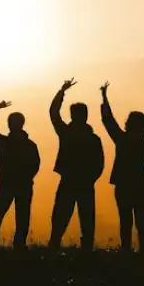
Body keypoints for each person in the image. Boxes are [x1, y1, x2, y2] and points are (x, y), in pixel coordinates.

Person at [100, 81, 144, 253]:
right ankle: (143, 251)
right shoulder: (143, 143)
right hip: (140, 184)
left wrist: (104, 98)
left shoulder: (122, 140)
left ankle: (126, 250)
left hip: (124, 184)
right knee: (141, 221)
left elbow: (108, 121)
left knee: (126, 221)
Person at [48, 78, 105, 250]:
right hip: (85, 183)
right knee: (86, 219)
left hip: (69, 181)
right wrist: (91, 178)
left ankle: (54, 248)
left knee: (60, 218)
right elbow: (99, 164)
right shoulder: (92, 138)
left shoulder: (66, 133)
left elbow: (53, 113)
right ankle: (86, 252)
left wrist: (62, 91)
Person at [0, 100, 41, 251]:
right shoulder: (30, 145)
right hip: (24, 186)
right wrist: (26, 177)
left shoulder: (3, 143)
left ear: (10, 124)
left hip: (7, 186)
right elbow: (36, 165)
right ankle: (19, 246)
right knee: (22, 219)